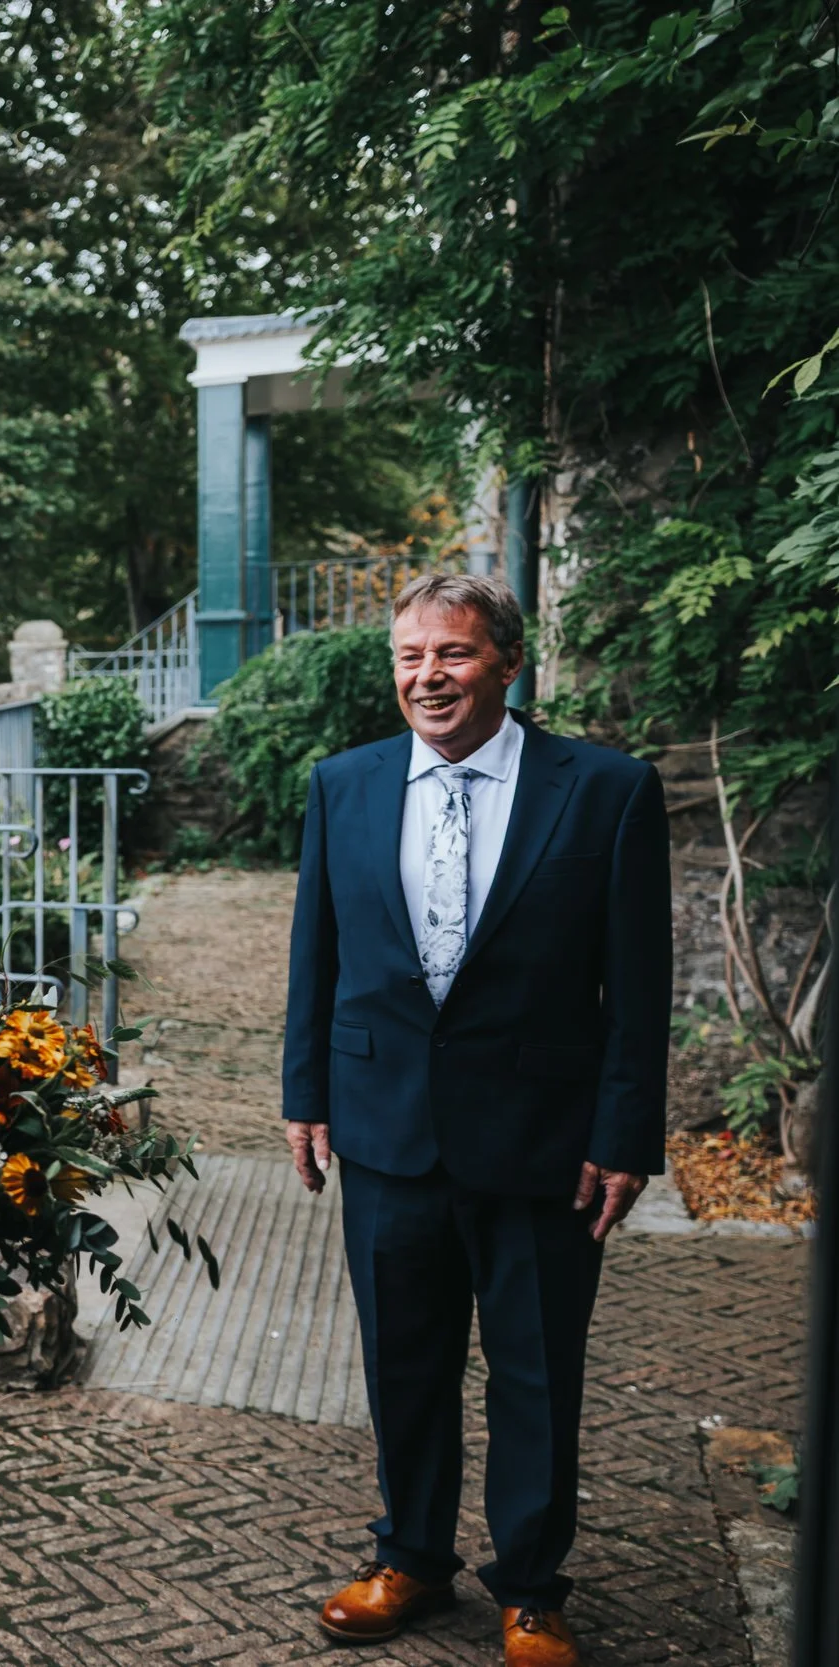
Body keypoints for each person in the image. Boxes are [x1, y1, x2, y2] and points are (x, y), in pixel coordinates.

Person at [280, 572, 668, 1667]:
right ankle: (408, 1555)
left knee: (538, 1366)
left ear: (506, 659)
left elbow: (638, 985)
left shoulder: (605, 790)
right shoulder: (341, 784)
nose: (425, 675)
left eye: (449, 653)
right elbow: (318, 953)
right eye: (408, 656)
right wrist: (304, 1092)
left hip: (545, 1138)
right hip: (386, 1125)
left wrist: (627, 1131)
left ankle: (533, 1587)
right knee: (402, 1360)